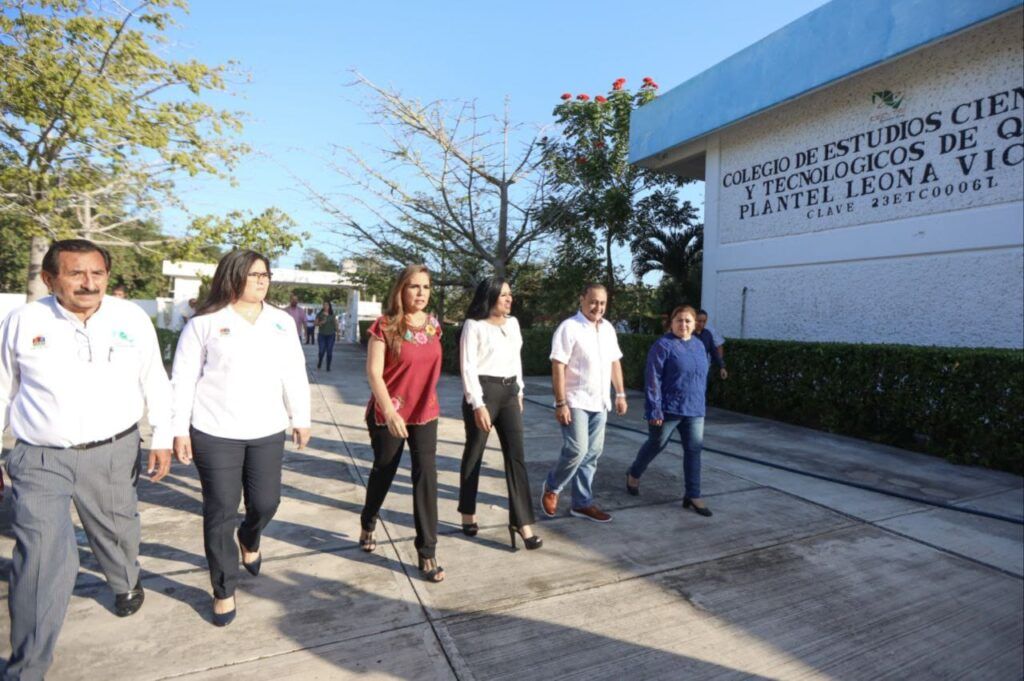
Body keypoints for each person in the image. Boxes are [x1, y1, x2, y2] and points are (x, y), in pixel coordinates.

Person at [0, 239, 173, 679]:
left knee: (118, 531)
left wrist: (163, 436)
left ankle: (124, 579)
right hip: (40, 458)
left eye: (97, 273)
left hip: (113, 451)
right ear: (49, 278)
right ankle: (27, 669)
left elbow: (155, 378)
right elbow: (3, 388)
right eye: (76, 273)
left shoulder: (130, 318)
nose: (88, 283)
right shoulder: (23, 321)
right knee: (41, 559)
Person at [170, 249, 311, 627]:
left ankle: (250, 539)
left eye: (265, 274)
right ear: (232, 277)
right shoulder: (206, 322)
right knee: (220, 511)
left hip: (267, 429)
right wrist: (177, 429)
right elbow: (183, 379)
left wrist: (301, 416)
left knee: (266, 503)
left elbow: (294, 371)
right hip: (215, 431)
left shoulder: (281, 322)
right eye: (253, 275)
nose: (262, 280)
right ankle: (223, 589)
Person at [359, 265, 445, 582]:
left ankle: (427, 551)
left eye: (425, 287)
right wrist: (390, 412)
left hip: (426, 411)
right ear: (401, 290)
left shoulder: (435, 326)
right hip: (389, 412)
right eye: (414, 286)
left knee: (426, 478)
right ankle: (368, 521)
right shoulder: (385, 326)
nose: (420, 293)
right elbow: (373, 373)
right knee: (384, 472)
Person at [458, 278, 542, 550]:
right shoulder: (474, 326)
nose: (509, 299)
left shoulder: (513, 323)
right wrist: (477, 403)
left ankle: (522, 522)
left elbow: (516, 359)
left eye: (510, 294)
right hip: (484, 392)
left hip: (509, 392)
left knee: (517, 457)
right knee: (474, 453)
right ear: (490, 297)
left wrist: (519, 391)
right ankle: (467, 513)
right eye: (503, 295)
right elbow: (468, 366)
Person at [540, 283, 627, 523]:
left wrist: (620, 394)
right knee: (577, 450)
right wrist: (560, 402)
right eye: (593, 301)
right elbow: (558, 365)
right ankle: (553, 486)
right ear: (582, 299)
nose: (597, 307)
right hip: (575, 400)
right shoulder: (569, 327)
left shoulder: (608, 328)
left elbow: (614, 362)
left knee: (592, 454)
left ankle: (582, 503)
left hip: (600, 401)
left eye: (602, 303)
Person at [625, 306, 714, 516]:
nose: (683, 325)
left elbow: (701, 376)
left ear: (695, 324)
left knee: (693, 451)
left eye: (688, 321)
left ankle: (693, 494)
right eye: (679, 321)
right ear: (671, 322)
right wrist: (654, 409)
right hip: (668, 409)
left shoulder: (700, 346)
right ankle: (634, 472)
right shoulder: (662, 346)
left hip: (694, 409)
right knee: (657, 444)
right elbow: (652, 379)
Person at [695, 309, 728, 380]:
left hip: (703, 369)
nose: (701, 324)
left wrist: (722, 367)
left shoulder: (707, 334)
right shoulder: (687, 334)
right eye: (699, 321)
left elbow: (714, 352)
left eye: (704, 321)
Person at [315, 301, 337, 370]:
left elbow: (335, 324)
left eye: (327, 305)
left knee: (329, 351)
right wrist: (321, 322)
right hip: (322, 335)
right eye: (324, 305)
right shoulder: (319, 314)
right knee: (321, 351)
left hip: (331, 335)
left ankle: (328, 366)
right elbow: (315, 323)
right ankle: (320, 361)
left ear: (329, 306)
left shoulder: (332, 315)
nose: (325, 306)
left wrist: (338, 333)